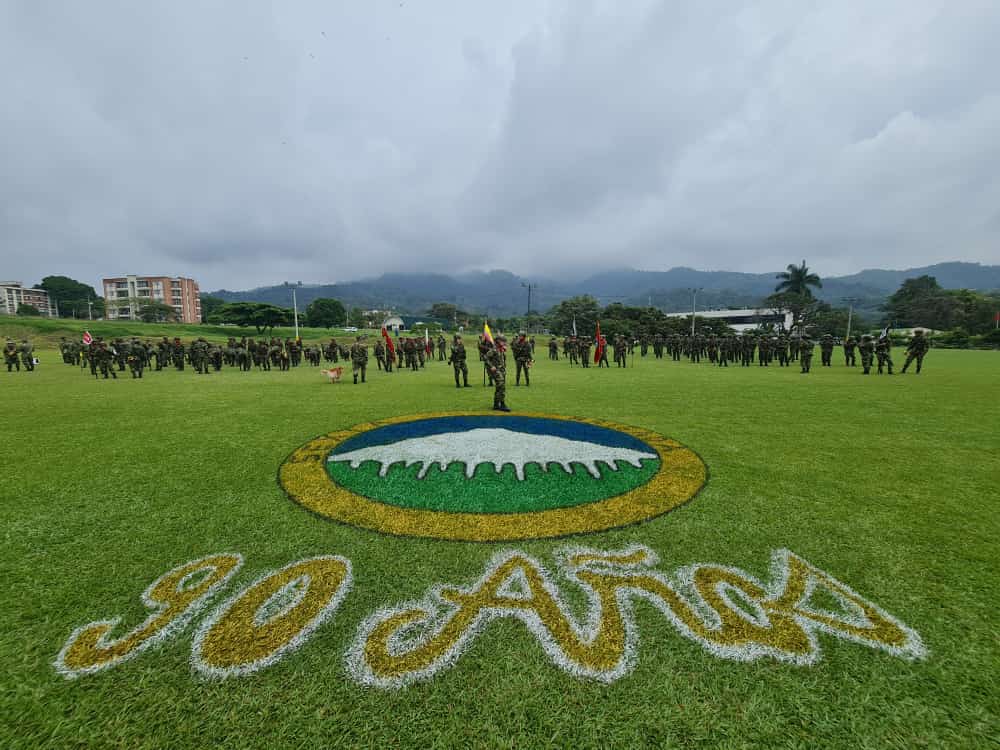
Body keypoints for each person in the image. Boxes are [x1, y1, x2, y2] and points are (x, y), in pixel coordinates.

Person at [484, 335, 510, 411]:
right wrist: (491, 366)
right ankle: (502, 404)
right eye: (502, 341)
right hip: (496, 371)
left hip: (502, 370)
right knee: (501, 386)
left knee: (499, 387)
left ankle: (496, 404)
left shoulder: (500, 349)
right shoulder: (494, 349)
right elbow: (485, 357)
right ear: (498, 341)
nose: (504, 343)